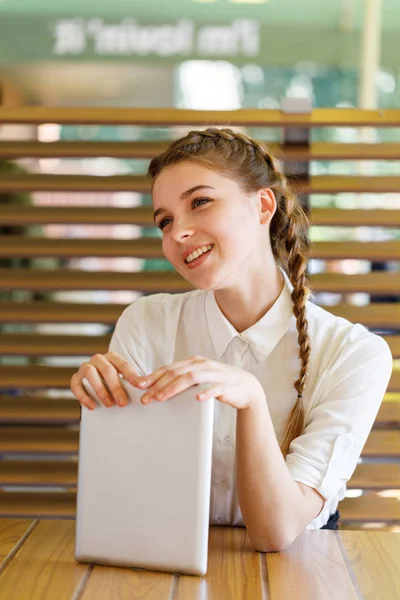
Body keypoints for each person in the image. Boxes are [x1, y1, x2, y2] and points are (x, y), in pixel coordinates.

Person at [70, 127, 393, 552]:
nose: (178, 233)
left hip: (299, 575)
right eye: (164, 221)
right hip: (163, 563)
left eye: (200, 202)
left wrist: (251, 400)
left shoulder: (354, 355)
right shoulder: (145, 323)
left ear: (262, 205)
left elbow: (275, 533)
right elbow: (122, 497)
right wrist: (102, 417)